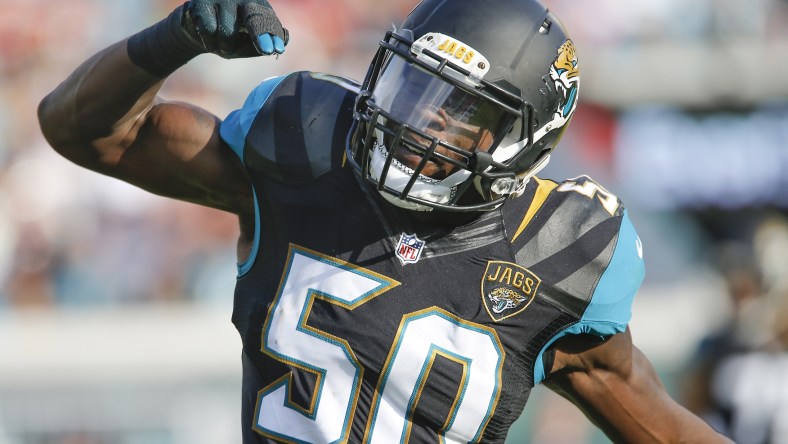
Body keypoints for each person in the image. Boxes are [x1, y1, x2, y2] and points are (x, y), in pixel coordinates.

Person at [37, 0, 732, 442]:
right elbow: (85, 132)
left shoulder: (559, 251)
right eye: (416, 86)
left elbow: (660, 426)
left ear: (525, 142)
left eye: (462, 114)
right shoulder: (304, 149)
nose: (420, 120)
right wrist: (172, 38)